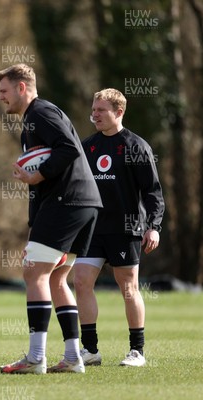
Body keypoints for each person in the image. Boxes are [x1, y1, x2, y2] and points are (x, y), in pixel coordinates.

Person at [0, 63, 102, 374]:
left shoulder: (40, 113)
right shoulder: (34, 118)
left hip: (66, 203)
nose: (1, 97)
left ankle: (35, 357)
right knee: (56, 278)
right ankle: (72, 358)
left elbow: (69, 148)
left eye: (4, 90)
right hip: (82, 204)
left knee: (33, 274)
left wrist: (38, 174)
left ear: (22, 88)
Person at [74, 88, 164, 367]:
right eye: (94, 109)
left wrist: (154, 226)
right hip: (93, 228)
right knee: (80, 281)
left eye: (101, 110)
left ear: (119, 112)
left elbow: (153, 192)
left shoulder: (136, 146)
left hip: (126, 228)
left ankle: (137, 351)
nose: (95, 114)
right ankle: (90, 350)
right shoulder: (88, 147)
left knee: (128, 287)